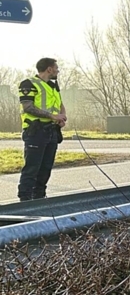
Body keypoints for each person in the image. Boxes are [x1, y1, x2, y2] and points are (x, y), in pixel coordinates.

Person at [18, 57, 66, 201]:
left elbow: (59, 103)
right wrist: (52, 116)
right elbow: (28, 107)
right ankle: (25, 199)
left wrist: (62, 116)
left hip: (51, 132)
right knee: (32, 168)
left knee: (46, 168)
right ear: (49, 69)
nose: (58, 70)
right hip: (36, 131)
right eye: (56, 68)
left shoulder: (52, 86)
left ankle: (39, 197)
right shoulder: (29, 84)